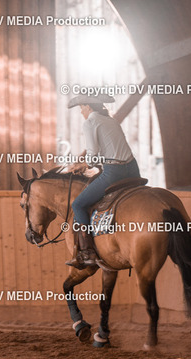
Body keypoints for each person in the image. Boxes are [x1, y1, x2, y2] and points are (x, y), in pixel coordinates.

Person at [65, 94, 141, 269]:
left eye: (81, 108)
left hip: (114, 173)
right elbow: (110, 150)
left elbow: (92, 155)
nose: (81, 112)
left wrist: (82, 165)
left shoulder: (90, 122)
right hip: (133, 169)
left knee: (78, 205)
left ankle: (87, 251)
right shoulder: (111, 120)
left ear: (88, 107)